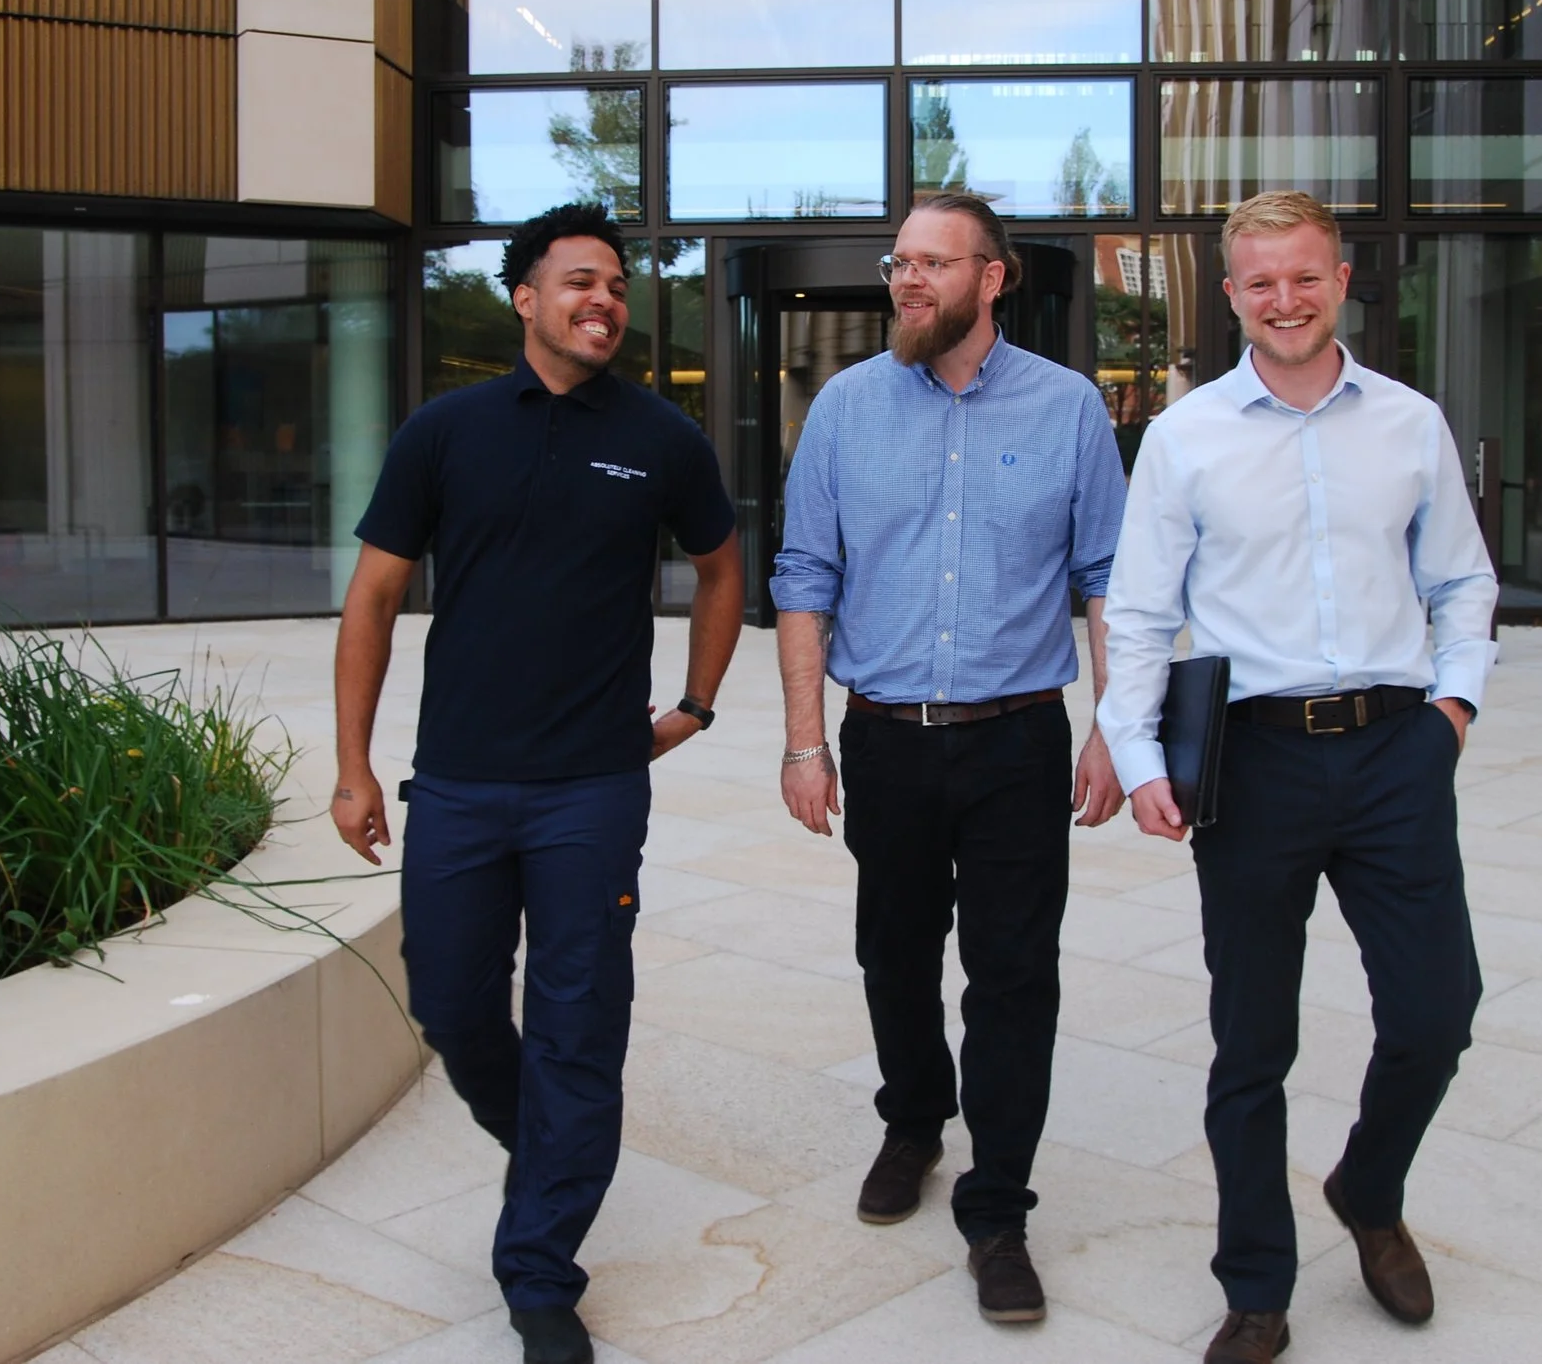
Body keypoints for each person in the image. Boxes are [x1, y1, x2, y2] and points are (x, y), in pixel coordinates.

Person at [329, 202, 743, 1364]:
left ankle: (539, 1268)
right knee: (450, 1003)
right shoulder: (445, 431)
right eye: (578, 282)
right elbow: (370, 599)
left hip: (592, 790)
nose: (603, 300)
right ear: (523, 297)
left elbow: (721, 568)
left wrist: (695, 705)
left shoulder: (661, 438)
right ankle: (547, 1145)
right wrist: (354, 765)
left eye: (615, 285)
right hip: (456, 783)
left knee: (576, 1026)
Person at [1095, 191, 1497, 1364]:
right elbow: (1138, 612)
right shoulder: (1186, 435)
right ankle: (1257, 1288)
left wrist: (1452, 712)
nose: (1284, 300)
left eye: (1304, 276)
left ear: (1340, 277)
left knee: (1437, 1012)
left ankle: (1368, 1191)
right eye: (1259, 282)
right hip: (1253, 762)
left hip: (1393, 752)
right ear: (1230, 296)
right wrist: (1134, 757)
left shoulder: (1410, 423)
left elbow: (1460, 582)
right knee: (1251, 1040)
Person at [771, 191, 1129, 1326]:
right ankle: (914, 1121)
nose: (907, 281)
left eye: (933, 264)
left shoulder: (1070, 410)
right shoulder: (843, 408)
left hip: (1018, 739)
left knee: (1017, 977)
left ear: (994, 277)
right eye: (899, 263)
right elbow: (802, 580)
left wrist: (1117, 727)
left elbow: (1110, 581)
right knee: (894, 952)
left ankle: (997, 1211)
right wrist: (801, 741)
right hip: (884, 738)